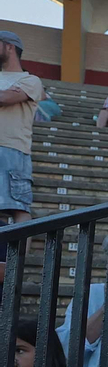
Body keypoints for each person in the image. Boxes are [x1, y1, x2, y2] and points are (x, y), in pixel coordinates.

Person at [0, 30, 43, 229]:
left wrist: (7, 94)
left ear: (9, 47)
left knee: (19, 208)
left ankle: (18, 261)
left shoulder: (30, 80)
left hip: (12, 148)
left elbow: (6, 98)